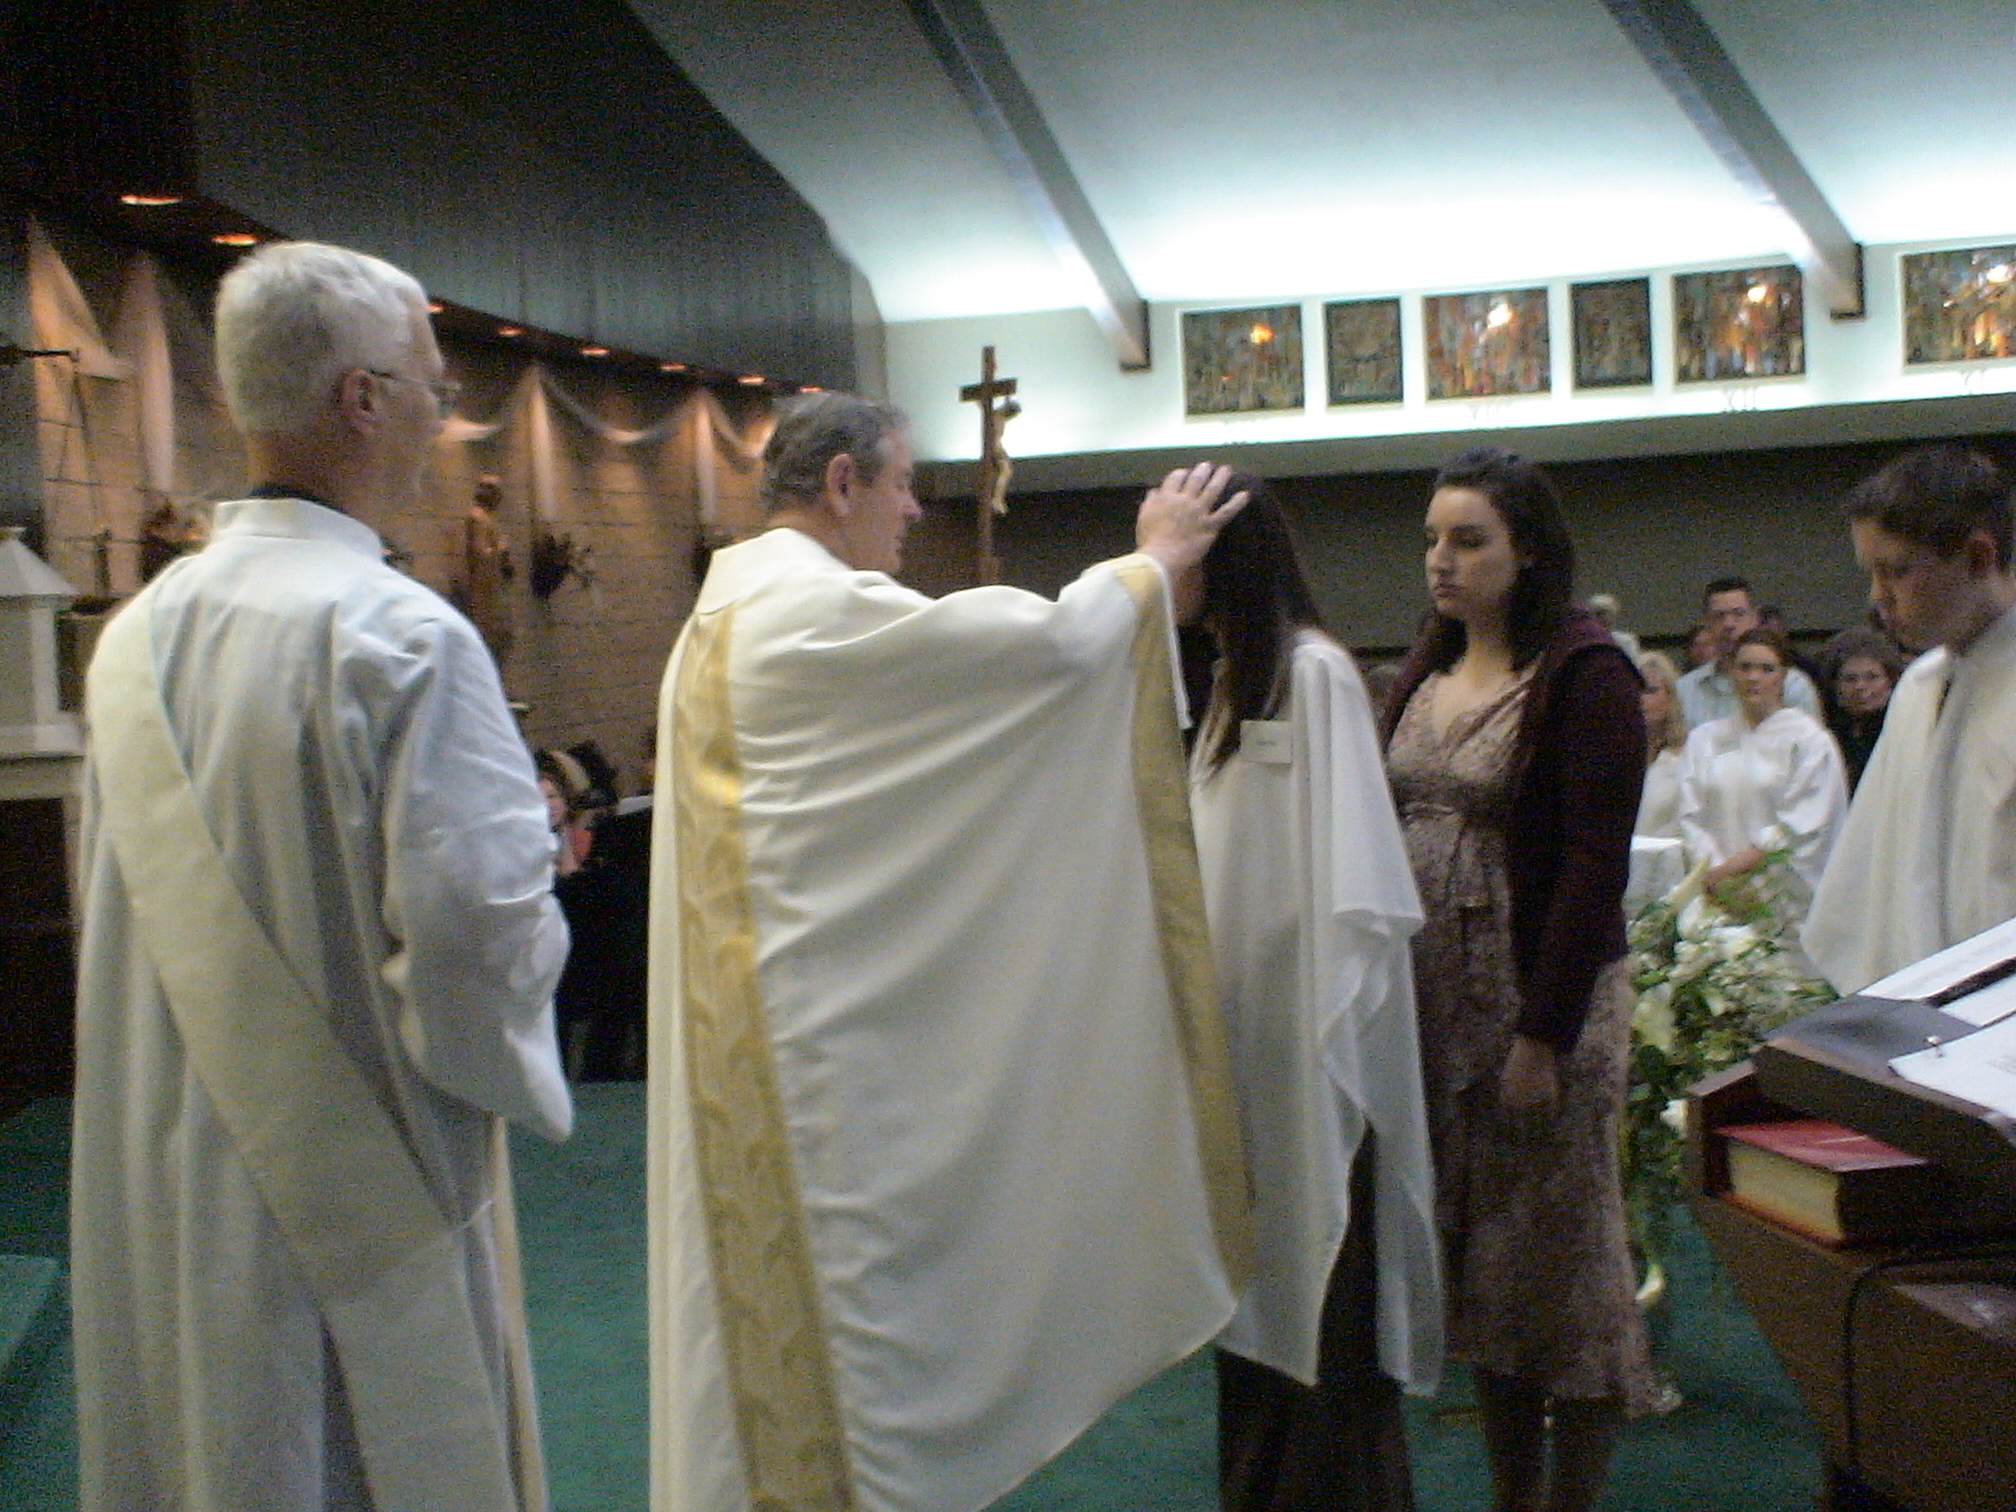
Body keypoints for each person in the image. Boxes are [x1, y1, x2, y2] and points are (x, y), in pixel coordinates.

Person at [647, 392, 1255, 1512]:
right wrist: (1154, 564)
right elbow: (1046, 651)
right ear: (841, 484)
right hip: (807, 1069)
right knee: (841, 1359)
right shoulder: (805, 610)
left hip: (774, 1027)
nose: (915, 511)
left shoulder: (725, 613)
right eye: (903, 484)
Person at [71, 241, 572, 1512]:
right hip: (358, 1190)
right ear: (361, 398)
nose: (438, 415)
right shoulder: (397, 634)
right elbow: (474, 941)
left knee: (208, 1445)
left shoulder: (130, 640)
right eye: (430, 385)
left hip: (165, 1168)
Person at [1381, 448, 1657, 1512]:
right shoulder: (1429, 663)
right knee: (1491, 1272)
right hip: (1436, 1007)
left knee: (1565, 1268)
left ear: (1528, 549)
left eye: (1468, 540)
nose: (1440, 561)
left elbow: (1593, 864)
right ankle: (1512, 1497)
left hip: (1543, 1002)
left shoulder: (1586, 675)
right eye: (1431, 541)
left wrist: (1542, 1037)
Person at [1186, 479, 1441, 1512]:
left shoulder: (1316, 672)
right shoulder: (1229, 678)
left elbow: (1352, 885)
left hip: (1307, 1036)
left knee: (1322, 1276)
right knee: (1254, 1278)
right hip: (1247, 1037)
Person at [1805, 444, 2016, 995]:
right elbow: (1876, 882)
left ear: (1978, 558)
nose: (1878, 598)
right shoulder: (1919, 689)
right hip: (1922, 1018)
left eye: (1896, 571)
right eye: (1871, 574)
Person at [1676, 627, 1848, 956]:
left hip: (1781, 898)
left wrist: (1736, 870)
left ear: (1783, 676)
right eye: (1745, 667)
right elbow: (1690, 813)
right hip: (1715, 893)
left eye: (1766, 669)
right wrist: (1711, 871)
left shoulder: (1809, 740)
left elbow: (1803, 823)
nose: (1753, 678)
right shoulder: (1704, 739)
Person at [1674, 576, 1822, 727]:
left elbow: (1809, 740)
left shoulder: (1792, 685)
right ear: (1706, 623)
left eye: (1738, 614)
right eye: (1719, 616)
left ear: (1754, 619)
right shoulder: (1685, 690)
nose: (1729, 624)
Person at [1821, 627, 1904, 792]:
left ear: (1890, 681)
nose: (1860, 686)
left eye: (1872, 677)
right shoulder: (1827, 734)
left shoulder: (1902, 729)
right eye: (1850, 679)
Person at [1634, 650, 1688, 840]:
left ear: (1670, 696)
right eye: (1634, 689)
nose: (1641, 698)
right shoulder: (1608, 756)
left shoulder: (1688, 758)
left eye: (1650, 691)